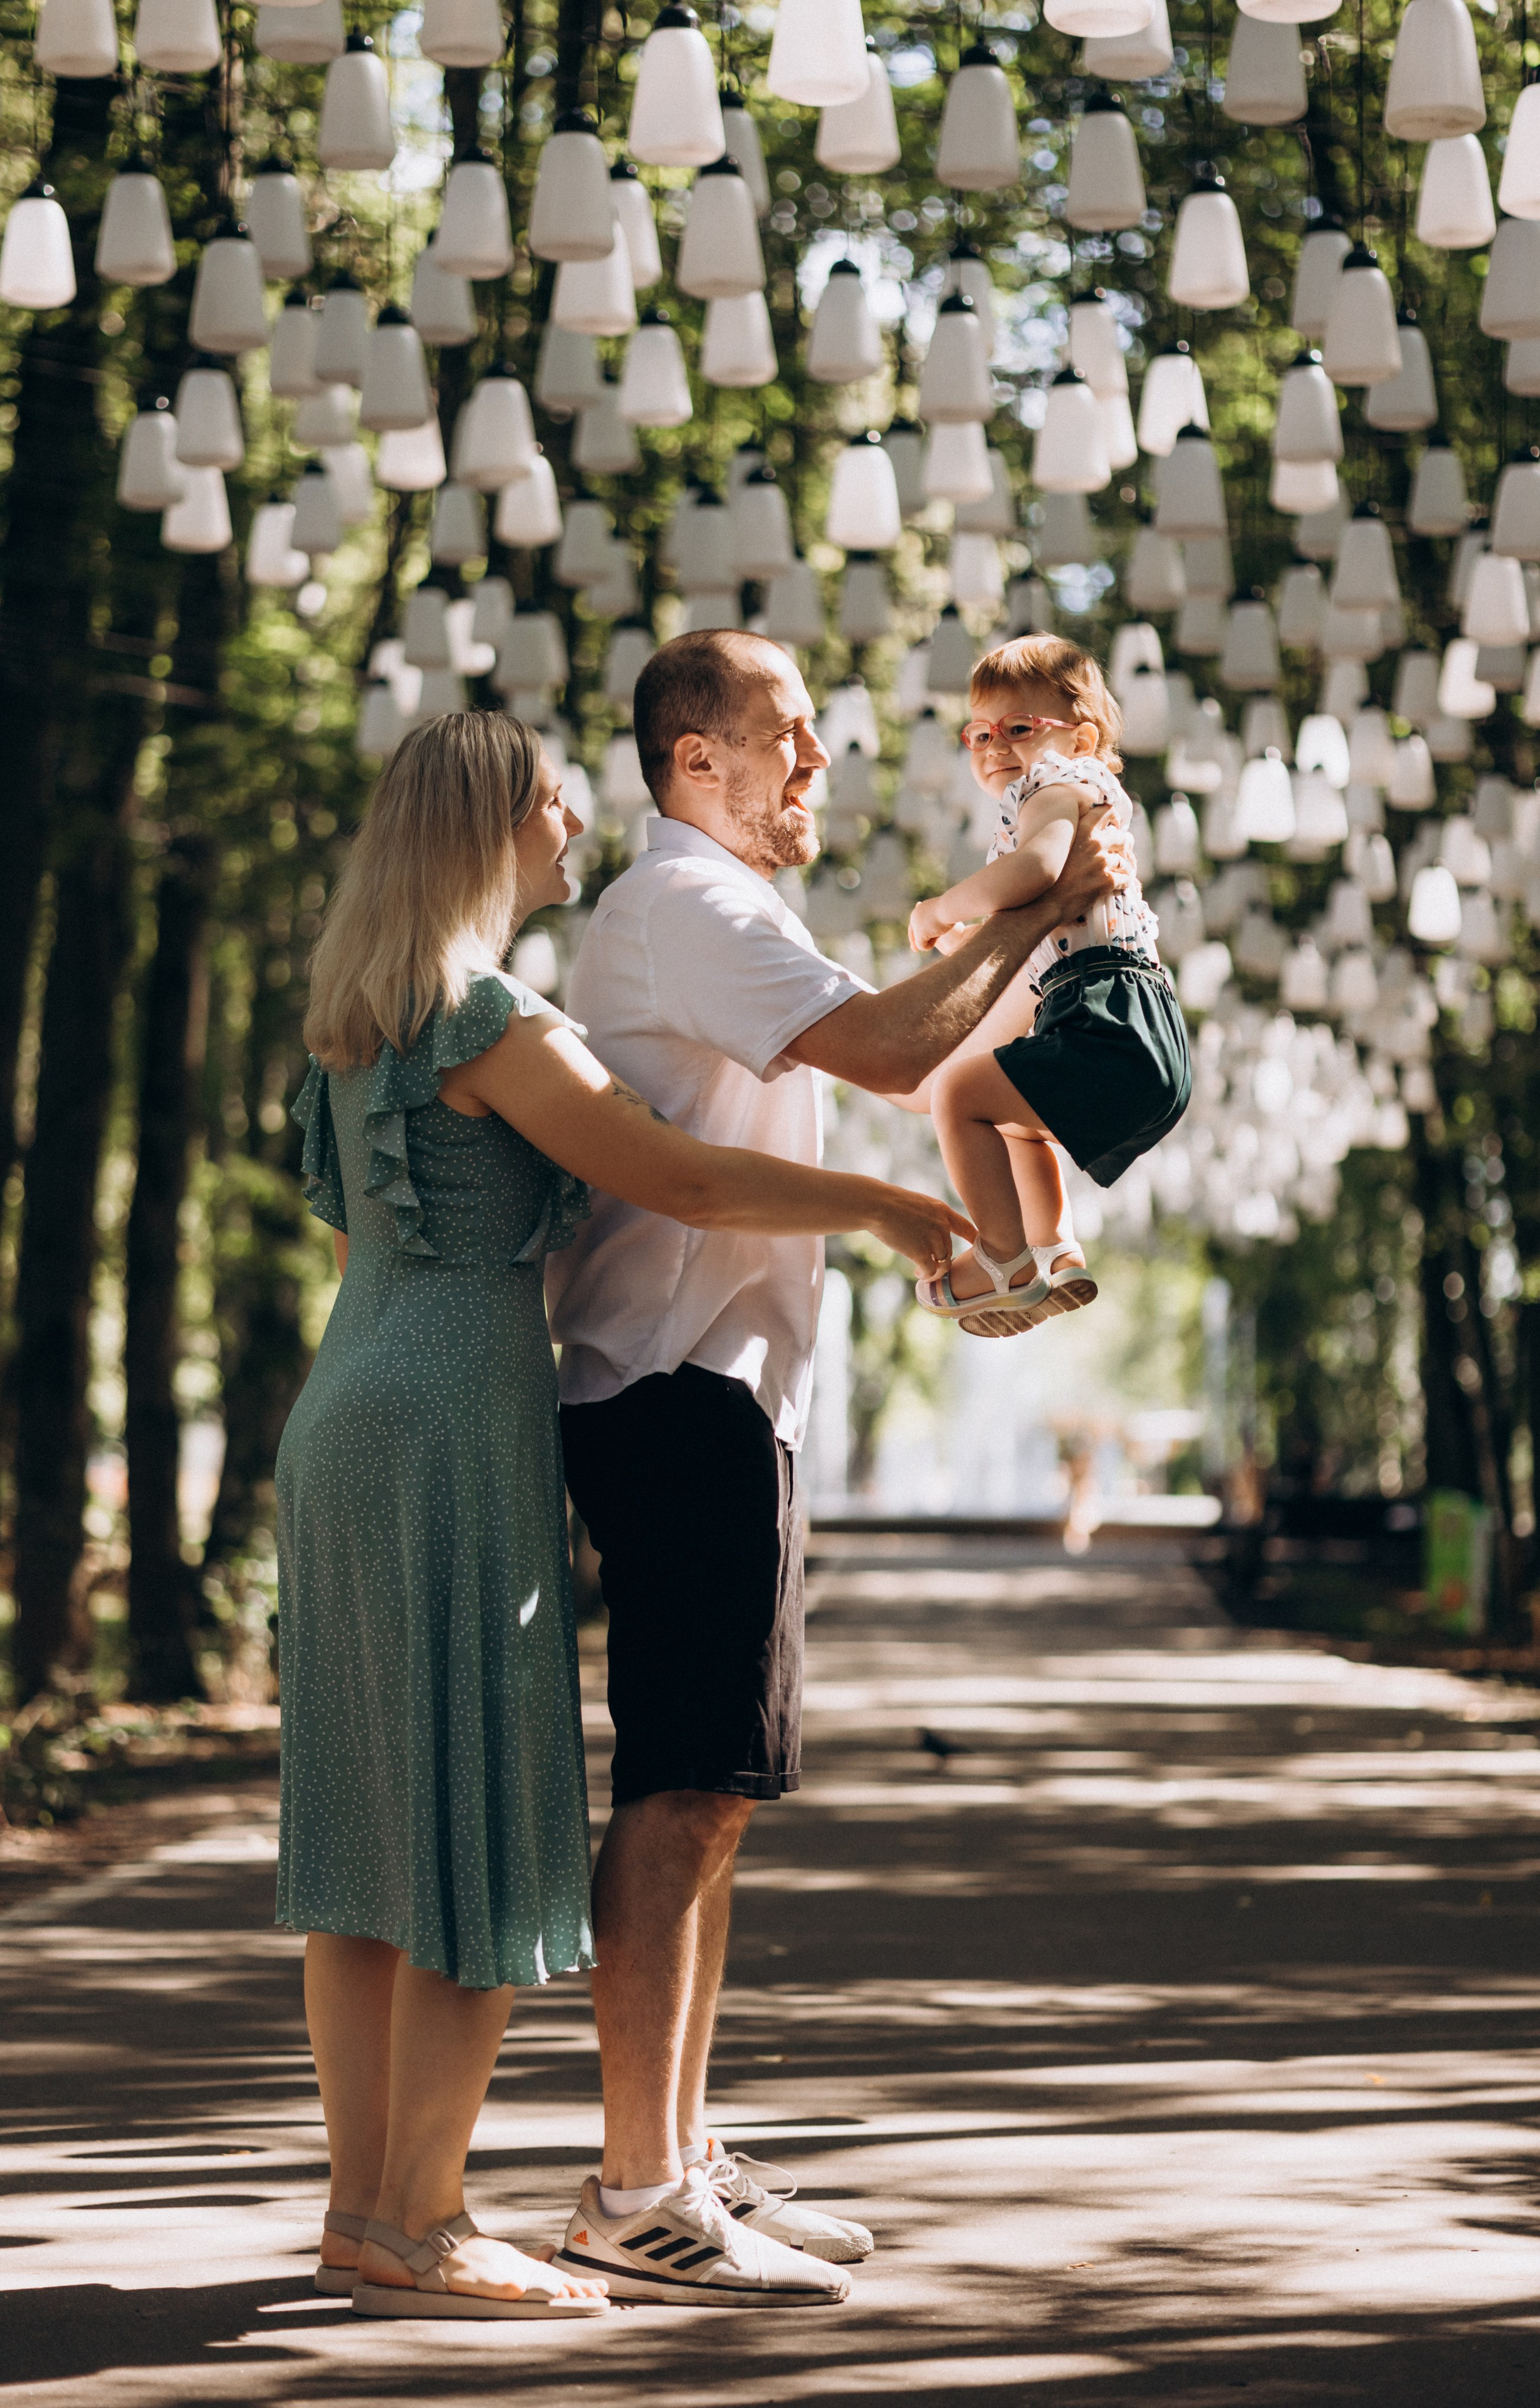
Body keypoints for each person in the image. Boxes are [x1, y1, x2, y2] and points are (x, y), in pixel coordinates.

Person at [276, 711, 972, 2320]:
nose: (575, 826)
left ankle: (361, 2210)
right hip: (454, 1411)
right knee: (468, 1815)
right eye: (552, 804)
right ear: (488, 827)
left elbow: (354, 1254)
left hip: (346, 1409)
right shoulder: (487, 1017)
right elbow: (686, 1178)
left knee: (367, 1829)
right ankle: (431, 2222)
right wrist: (888, 1205)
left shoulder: (349, 1022)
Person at [545, 629, 1134, 2305]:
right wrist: (1036, 886)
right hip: (672, 1388)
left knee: (718, 1793)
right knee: (682, 1786)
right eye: (784, 737)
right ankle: (635, 2184)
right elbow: (888, 1054)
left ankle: (678, 2145)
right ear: (692, 765)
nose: (817, 763)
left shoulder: (721, 910)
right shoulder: (688, 906)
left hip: (722, 1391)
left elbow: (877, 1061)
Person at [906, 635, 1190, 1338]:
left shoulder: (1058, 785)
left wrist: (941, 908)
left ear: (1081, 737)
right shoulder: (1058, 805)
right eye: (977, 733)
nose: (993, 745)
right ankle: (1054, 1248)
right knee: (1005, 1113)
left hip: (1106, 1016)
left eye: (1018, 728)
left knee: (959, 1093)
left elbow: (1034, 873)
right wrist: (971, 944)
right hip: (1136, 1033)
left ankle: (1003, 1256)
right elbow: (1035, 925)